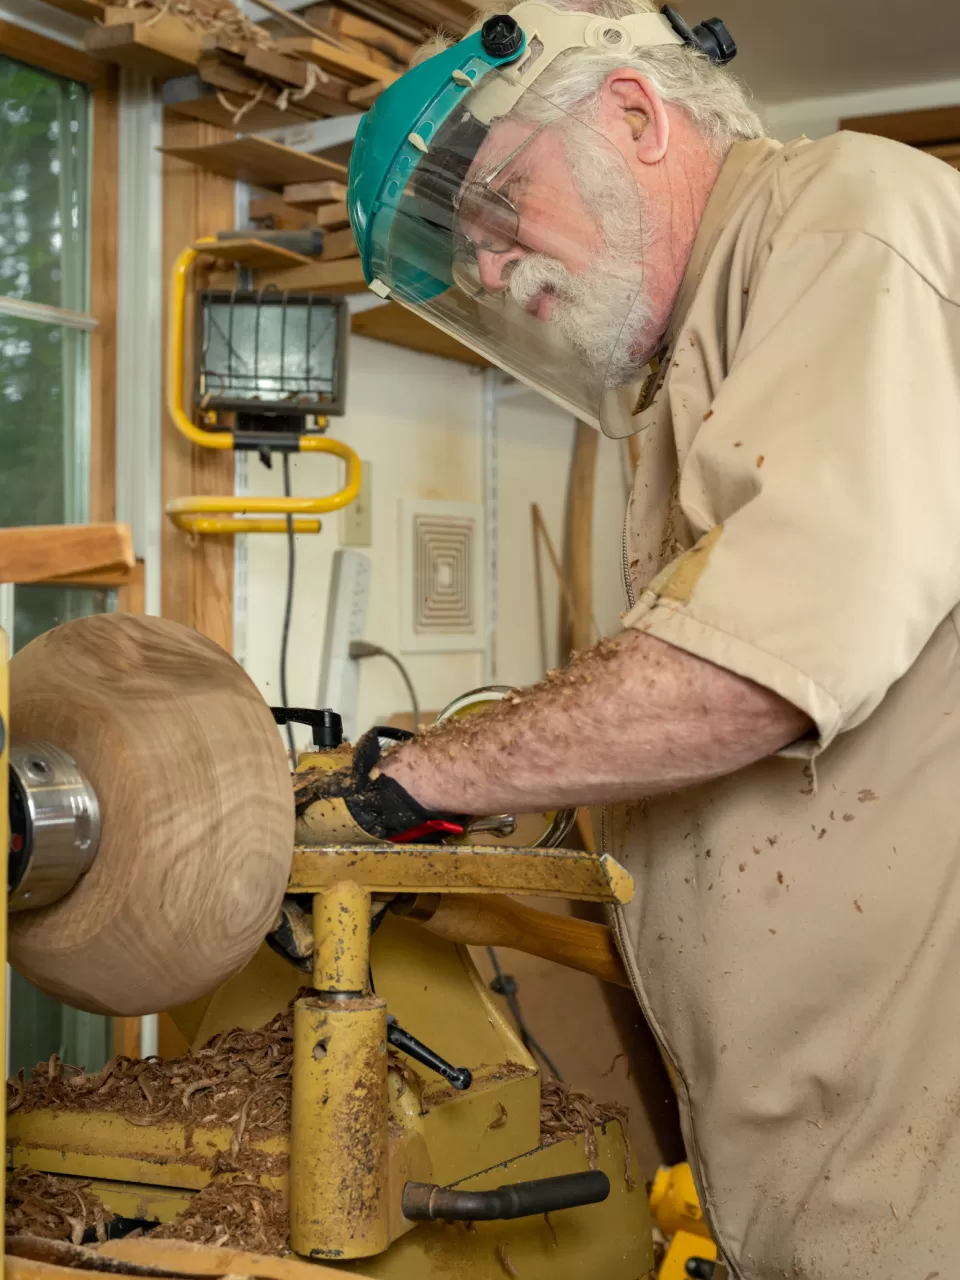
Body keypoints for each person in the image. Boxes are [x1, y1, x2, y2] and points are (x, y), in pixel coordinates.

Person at [304, 3, 960, 1275]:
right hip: (829, 1160)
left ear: (633, 115)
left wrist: (420, 783)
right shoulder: (694, 367)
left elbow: (753, 673)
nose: (488, 270)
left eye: (495, 207)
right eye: (460, 258)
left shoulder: (848, 222)